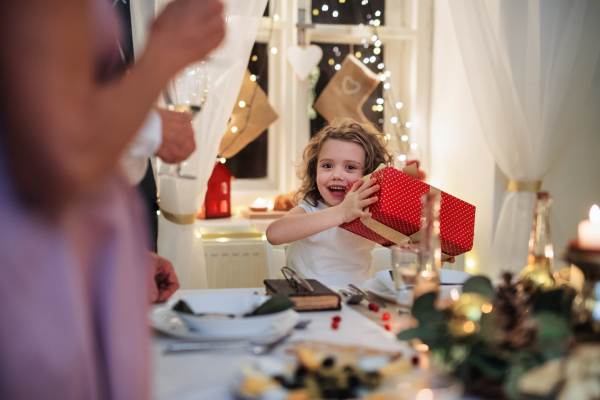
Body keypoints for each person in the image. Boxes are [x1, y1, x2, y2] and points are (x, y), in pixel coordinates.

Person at [0, 0, 225, 399]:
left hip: (71, 248)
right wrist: (165, 53)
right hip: (37, 266)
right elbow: (59, 151)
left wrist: (121, 254)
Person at [266, 119, 394, 286]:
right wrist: (341, 213)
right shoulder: (309, 208)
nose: (337, 175)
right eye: (327, 165)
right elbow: (274, 234)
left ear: (370, 175)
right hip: (309, 303)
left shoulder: (370, 214)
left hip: (356, 301)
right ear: (314, 171)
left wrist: (408, 246)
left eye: (350, 167)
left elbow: (402, 245)